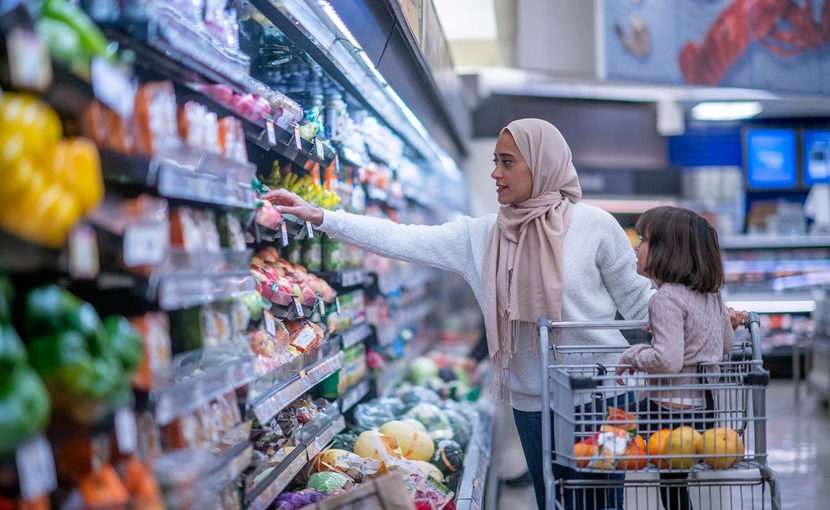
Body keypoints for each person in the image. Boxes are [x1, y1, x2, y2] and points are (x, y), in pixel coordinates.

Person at [266, 119, 740, 509]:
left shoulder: (594, 226)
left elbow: (640, 300)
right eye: (495, 160)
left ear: (542, 165)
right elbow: (403, 238)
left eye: (507, 162)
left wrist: (708, 311)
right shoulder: (481, 236)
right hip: (530, 396)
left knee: (597, 500)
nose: (495, 172)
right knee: (551, 499)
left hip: (600, 391)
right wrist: (322, 217)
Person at [615, 206, 738, 510]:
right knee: (674, 483)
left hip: (667, 415)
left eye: (643, 240)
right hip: (704, 413)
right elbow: (725, 344)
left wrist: (633, 355)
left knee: (609, 431)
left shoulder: (666, 298)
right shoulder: (711, 296)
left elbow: (668, 360)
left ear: (667, 251)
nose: (636, 246)